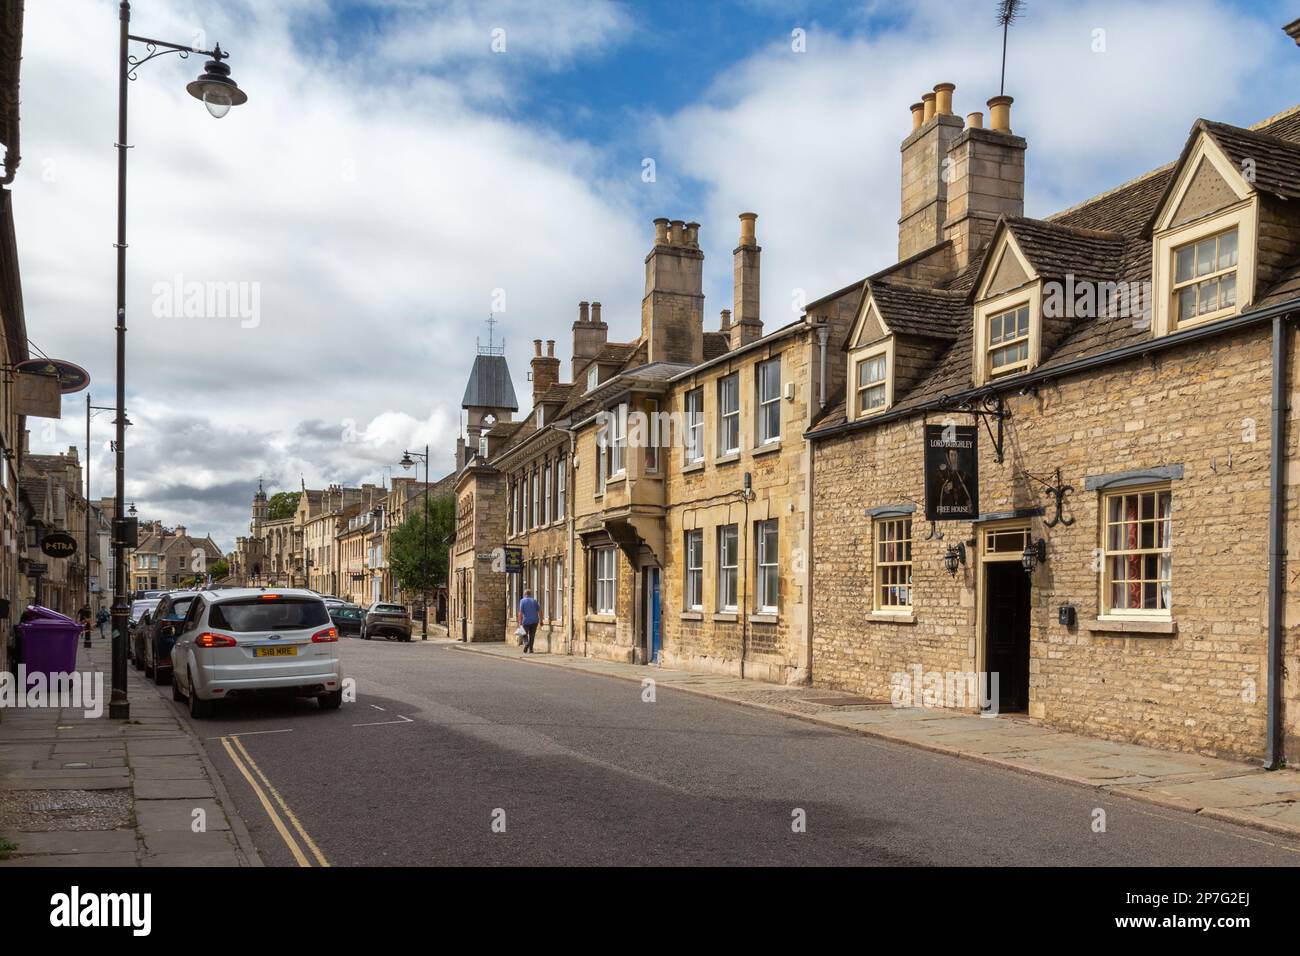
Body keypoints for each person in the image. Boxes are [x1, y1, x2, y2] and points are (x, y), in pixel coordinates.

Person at [517, 588, 540, 654]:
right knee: (532, 635)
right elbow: (539, 611)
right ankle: (531, 649)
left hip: (526, 621)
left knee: (524, 634)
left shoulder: (522, 601)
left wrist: (520, 622)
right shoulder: (534, 601)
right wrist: (541, 620)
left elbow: (520, 613)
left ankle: (526, 643)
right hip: (535, 620)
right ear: (530, 594)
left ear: (525, 594)